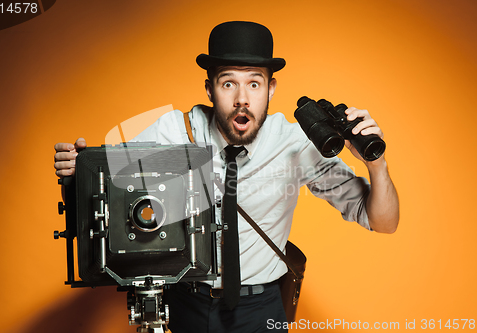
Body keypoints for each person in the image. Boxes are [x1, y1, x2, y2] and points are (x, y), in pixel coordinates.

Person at [54, 21, 399, 333]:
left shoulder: (295, 144)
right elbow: (108, 186)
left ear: (271, 88)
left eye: (254, 83)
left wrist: (376, 164)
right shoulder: (175, 130)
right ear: (209, 89)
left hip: (261, 306)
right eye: (228, 83)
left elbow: (383, 221)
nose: (242, 99)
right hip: (184, 301)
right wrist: (77, 171)